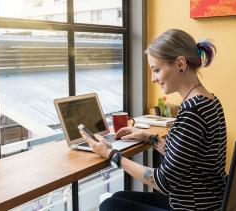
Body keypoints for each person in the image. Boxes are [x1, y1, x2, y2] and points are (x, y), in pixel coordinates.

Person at [80, 29, 227, 211]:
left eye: (156, 70)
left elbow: (164, 181)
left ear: (180, 63)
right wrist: (150, 138)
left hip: (192, 207)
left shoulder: (192, 111)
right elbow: (185, 159)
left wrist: (112, 155)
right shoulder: (209, 101)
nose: (152, 79)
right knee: (118, 197)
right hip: (208, 201)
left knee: (110, 205)